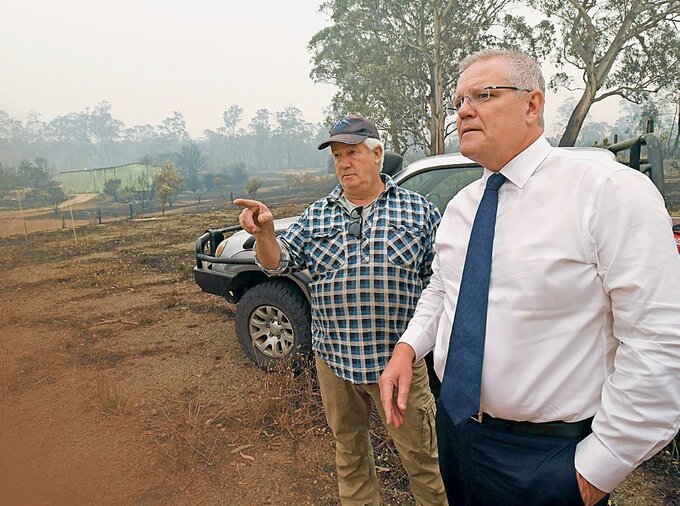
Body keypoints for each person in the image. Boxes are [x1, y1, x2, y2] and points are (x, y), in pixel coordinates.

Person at [378, 49, 680, 506]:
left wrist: (596, 470)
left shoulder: (606, 193)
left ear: (532, 104)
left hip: (549, 454)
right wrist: (408, 347)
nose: (464, 110)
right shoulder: (462, 207)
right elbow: (444, 288)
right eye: (458, 101)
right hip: (459, 433)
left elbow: (659, 341)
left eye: (484, 94)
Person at [234, 115, 447, 506]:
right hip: (334, 362)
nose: (344, 163)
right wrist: (265, 233)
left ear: (377, 154)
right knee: (350, 457)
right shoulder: (317, 215)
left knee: (423, 460)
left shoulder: (420, 213)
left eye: (352, 153)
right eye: (337, 156)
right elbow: (275, 263)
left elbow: (441, 285)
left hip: (397, 365)